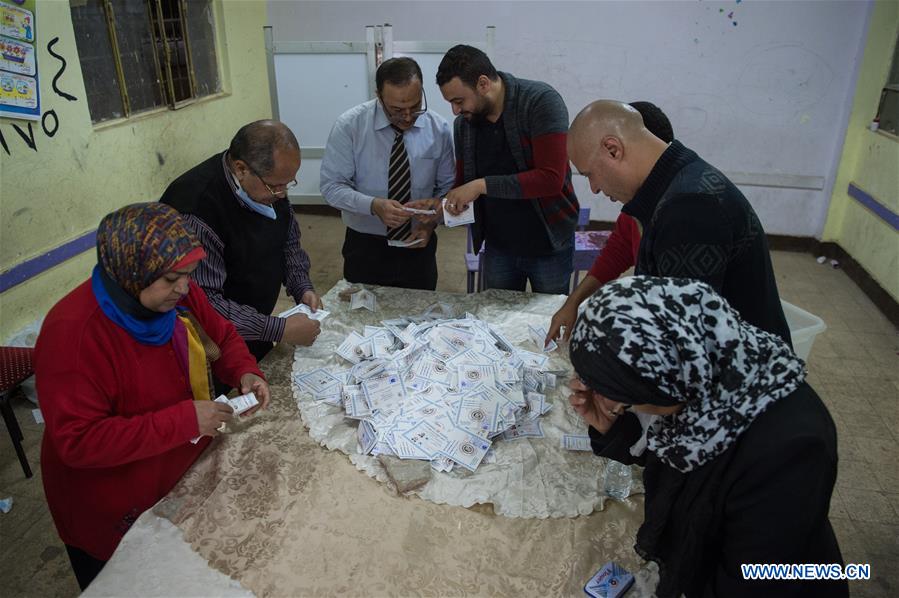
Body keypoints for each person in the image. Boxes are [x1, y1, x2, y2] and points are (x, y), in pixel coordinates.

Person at [34, 203, 270, 590]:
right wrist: (185, 420)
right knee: (128, 581)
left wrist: (246, 371)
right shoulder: (73, 336)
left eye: (188, 275)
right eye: (172, 279)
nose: (184, 288)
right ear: (130, 271)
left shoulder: (175, 294)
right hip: (109, 495)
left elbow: (222, 336)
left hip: (172, 465)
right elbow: (78, 441)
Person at [568, 276, 846, 598]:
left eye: (625, 400)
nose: (616, 404)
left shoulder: (791, 449)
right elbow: (676, 456)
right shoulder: (707, 375)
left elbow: (752, 582)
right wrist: (612, 426)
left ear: (670, 381)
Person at [565, 100, 792, 345]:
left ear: (613, 149)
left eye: (589, 174)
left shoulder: (690, 208)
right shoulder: (675, 184)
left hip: (745, 375)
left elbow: (686, 345)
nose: (594, 188)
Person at [161, 120, 321, 366]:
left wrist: (302, 286)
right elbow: (205, 304)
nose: (282, 194)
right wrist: (277, 329)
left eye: (288, 184)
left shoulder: (268, 184)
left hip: (254, 325)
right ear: (241, 168)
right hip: (210, 345)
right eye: (276, 186)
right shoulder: (196, 212)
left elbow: (288, 242)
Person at [437, 44, 579, 294]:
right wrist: (438, 205)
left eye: (459, 101)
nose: (455, 111)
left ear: (483, 84)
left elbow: (551, 179)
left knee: (547, 321)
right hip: (498, 246)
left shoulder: (540, 102)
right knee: (496, 320)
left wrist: (481, 185)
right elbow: (463, 183)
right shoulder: (465, 125)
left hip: (548, 242)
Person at [320, 57, 455, 290]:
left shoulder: (438, 129)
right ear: (378, 95)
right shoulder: (350, 126)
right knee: (362, 316)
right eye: (396, 109)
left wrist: (432, 222)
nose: (407, 117)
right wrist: (373, 206)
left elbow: (448, 188)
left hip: (419, 243)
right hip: (365, 246)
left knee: (418, 316)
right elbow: (332, 187)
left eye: (415, 106)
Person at [546, 101, 674, 344]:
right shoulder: (637, 204)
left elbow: (675, 321)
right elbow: (615, 254)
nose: (593, 189)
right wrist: (574, 301)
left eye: (591, 174)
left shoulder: (679, 212)